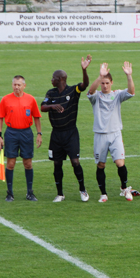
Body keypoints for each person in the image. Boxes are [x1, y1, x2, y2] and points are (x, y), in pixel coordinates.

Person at [41, 55, 92, 202]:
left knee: (75, 162)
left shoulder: (72, 91)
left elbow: (85, 85)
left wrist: (84, 70)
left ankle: (82, 190)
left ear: (60, 79)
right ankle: (60, 194)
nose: (51, 80)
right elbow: (43, 107)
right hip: (56, 134)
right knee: (57, 163)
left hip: (70, 133)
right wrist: (52, 106)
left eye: (53, 78)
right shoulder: (50, 93)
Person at [87, 62, 135, 203]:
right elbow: (90, 91)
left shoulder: (117, 95)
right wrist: (99, 76)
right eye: (103, 83)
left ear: (112, 83)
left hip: (115, 134)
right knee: (101, 165)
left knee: (120, 163)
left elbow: (131, 92)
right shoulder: (96, 97)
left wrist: (129, 76)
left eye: (107, 83)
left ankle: (124, 188)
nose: (105, 85)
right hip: (100, 135)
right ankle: (103, 194)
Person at [0, 75, 42, 201]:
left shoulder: (31, 99)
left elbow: (36, 117)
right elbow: (0, 118)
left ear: (24, 86)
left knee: (28, 163)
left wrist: (39, 133)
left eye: (19, 85)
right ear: (12, 85)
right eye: (15, 84)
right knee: (10, 163)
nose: (16, 87)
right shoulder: (5, 99)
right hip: (11, 133)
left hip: (26, 133)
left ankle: (30, 193)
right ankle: (10, 193)